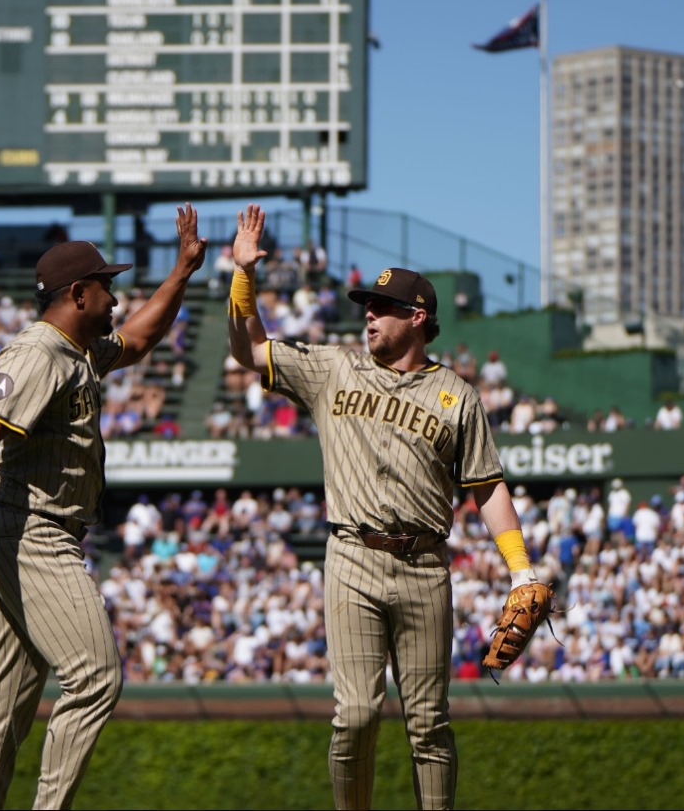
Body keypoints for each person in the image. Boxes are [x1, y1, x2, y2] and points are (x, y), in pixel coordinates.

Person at [226, 204, 535, 811]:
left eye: (380, 307)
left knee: (429, 724)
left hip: (424, 568)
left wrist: (520, 570)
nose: (367, 313)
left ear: (417, 317)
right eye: (365, 305)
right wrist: (243, 277)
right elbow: (249, 350)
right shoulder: (333, 368)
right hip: (352, 557)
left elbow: (487, 486)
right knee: (357, 715)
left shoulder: (458, 396)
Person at [0, 205, 207, 810]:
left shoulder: (76, 350)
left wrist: (182, 272)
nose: (114, 298)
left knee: (1, 713)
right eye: (106, 286)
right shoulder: (38, 352)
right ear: (78, 293)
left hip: (15, 532)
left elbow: (138, 338)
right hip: (30, 533)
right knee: (96, 678)